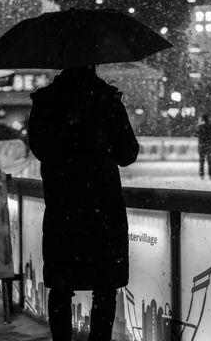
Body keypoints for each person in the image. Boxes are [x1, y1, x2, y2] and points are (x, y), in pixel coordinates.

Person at [28, 66, 139, 341]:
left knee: (61, 288)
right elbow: (128, 153)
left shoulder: (46, 102)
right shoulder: (106, 100)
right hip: (103, 210)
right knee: (105, 286)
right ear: (94, 62)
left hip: (62, 209)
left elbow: (40, 149)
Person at [196, 113, 211, 179]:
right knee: (210, 162)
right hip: (209, 145)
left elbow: (199, 136)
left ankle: (202, 175)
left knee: (202, 162)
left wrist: (200, 145)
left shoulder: (201, 126)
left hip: (202, 145)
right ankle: (210, 175)